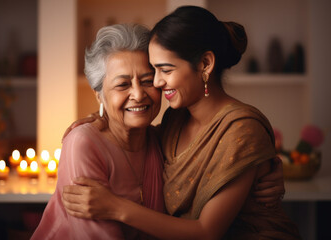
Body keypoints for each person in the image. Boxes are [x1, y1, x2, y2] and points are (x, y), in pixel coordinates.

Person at [61, 6, 301, 240]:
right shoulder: (174, 122)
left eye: (164, 70)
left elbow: (207, 232)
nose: (156, 83)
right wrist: (98, 120)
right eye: (153, 71)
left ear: (205, 64)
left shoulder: (241, 129)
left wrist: (116, 207)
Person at [31, 24, 165, 240]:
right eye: (123, 85)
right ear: (99, 95)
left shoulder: (161, 140)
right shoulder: (82, 143)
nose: (139, 95)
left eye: (148, 81)